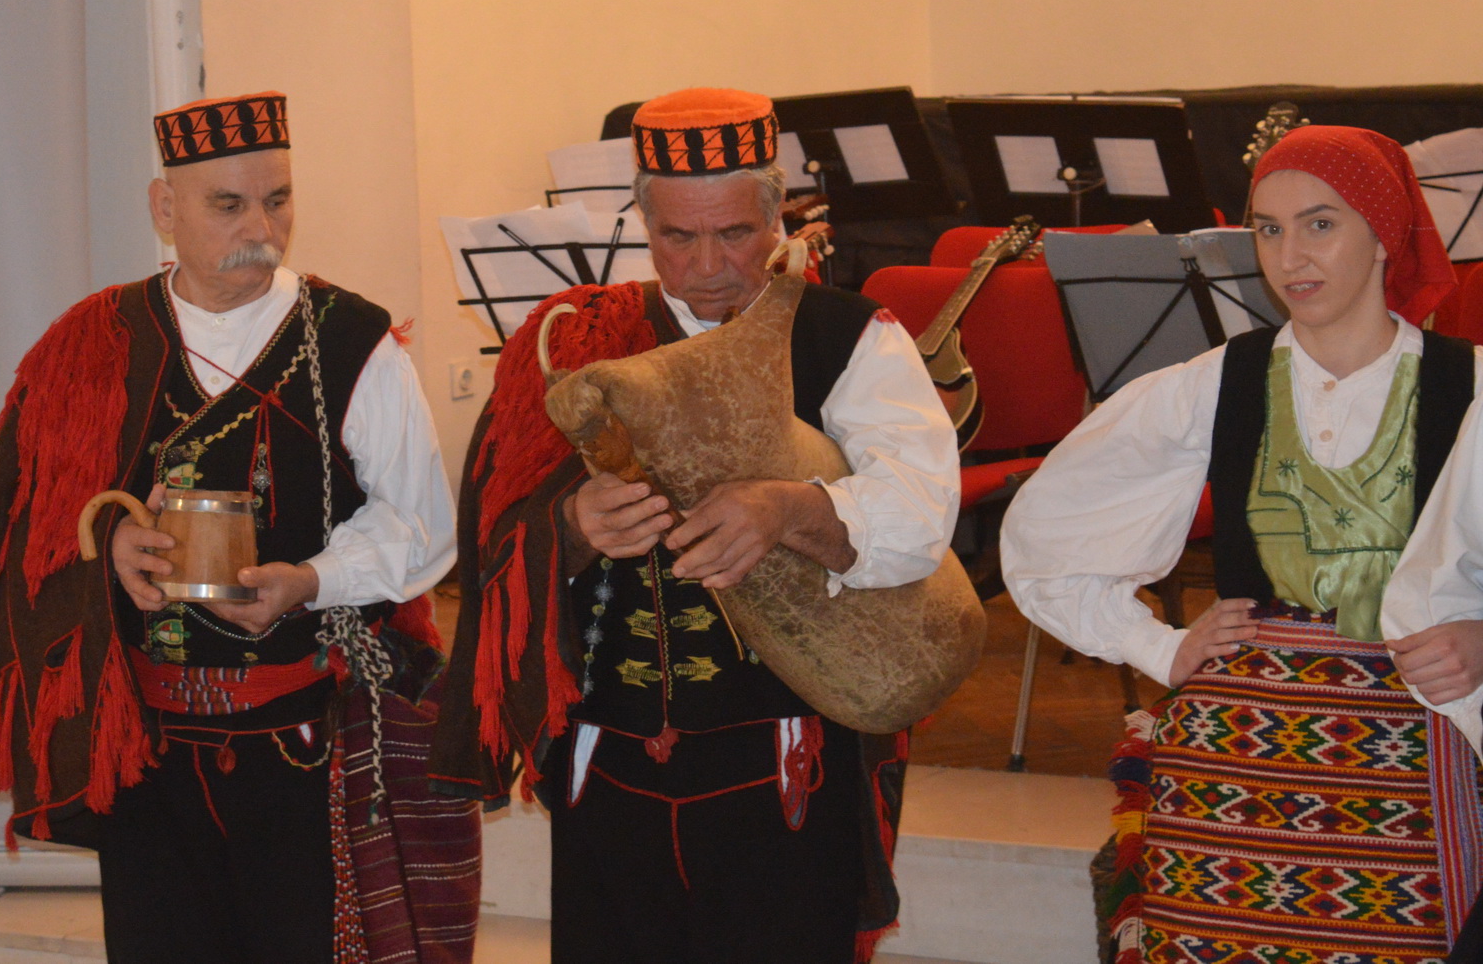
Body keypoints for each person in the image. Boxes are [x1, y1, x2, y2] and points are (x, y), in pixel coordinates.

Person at [0, 91, 477, 964]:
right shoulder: (92, 343)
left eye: (278, 199)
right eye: (228, 204)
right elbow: (22, 535)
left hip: (303, 747)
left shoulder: (352, 341)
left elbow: (425, 526)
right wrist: (106, 548)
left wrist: (311, 580)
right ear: (164, 209)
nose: (262, 229)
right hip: (148, 754)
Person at [429, 88, 961, 964]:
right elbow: (495, 530)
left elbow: (922, 514)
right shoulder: (582, 342)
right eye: (679, 237)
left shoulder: (845, 337)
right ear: (644, 223)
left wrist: (789, 508)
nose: (709, 265)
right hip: (608, 762)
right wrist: (572, 526)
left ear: (779, 216)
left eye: (736, 234)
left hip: (788, 760)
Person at [1001, 124, 1480, 964]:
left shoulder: (1466, 385)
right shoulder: (1216, 382)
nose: (1290, 256)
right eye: (1268, 228)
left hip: (1409, 745)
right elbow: (1047, 534)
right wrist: (1159, 645)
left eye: (1321, 224)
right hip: (1234, 754)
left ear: (1384, 234)